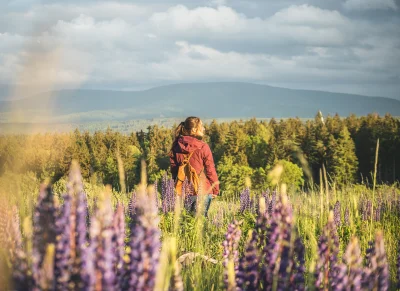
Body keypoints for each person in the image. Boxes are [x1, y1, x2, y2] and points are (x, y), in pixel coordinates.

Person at [169, 116, 219, 217]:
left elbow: (174, 171)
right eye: (201, 126)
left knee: (186, 222)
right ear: (194, 129)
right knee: (200, 224)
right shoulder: (203, 147)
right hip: (203, 190)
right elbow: (210, 170)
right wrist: (215, 189)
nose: (204, 128)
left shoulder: (176, 146)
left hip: (184, 192)